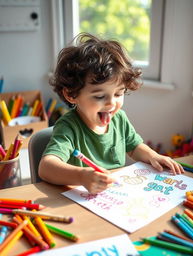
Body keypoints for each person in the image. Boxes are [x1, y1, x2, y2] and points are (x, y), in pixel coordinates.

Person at [39, 33, 184, 194]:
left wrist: (152, 155)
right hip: (81, 200)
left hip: (115, 196)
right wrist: (81, 176)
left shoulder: (119, 118)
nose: (111, 103)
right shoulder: (68, 127)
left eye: (118, 94)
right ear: (71, 94)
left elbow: (134, 147)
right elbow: (46, 167)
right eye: (100, 96)